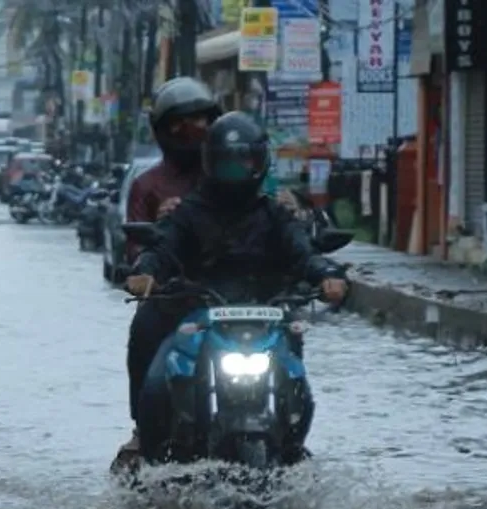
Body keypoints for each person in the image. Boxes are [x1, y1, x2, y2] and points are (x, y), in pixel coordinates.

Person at [115, 112, 350, 462]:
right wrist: (145, 272)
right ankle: (152, 459)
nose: (235, 172)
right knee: (155, 383)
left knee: (296, 372)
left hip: (267, 317)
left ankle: (291, 446)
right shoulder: (188, 212)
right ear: (210, 164)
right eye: (227, 164)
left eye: (244, 163)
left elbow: (303, 252)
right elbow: (162, 249)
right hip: (197, 315)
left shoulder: (275, 214)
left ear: (259, 163)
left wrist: (328, 275)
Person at [124, 78, 221, 261]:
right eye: (178, 122)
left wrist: (288, 210)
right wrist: (161, 227)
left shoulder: (230, 175)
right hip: (175, 283)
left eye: (197, 119)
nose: (189, 129)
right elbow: (135, 254)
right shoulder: (146, 186)